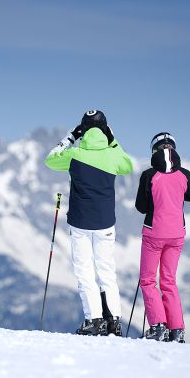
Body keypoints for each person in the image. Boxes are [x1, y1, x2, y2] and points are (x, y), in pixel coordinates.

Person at [45, 110, 133, 336]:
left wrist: (70, 138)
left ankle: (94, 319)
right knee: (107, 270)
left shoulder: (74, 154)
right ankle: (113, 320)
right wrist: (112, 141)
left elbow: (50, 159)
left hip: (80, 222)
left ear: (82, 130)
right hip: (105, 223)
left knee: (85, 271)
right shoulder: (112, 155)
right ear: (105, 130)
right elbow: (127, 166)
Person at [135, 132, 190, 342]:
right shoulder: (184, 175)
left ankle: (158, 327)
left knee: (148, 280)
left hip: (154, 233)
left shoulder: (149, 175)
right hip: (176, 235)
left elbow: (141, 207)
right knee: (169, 281)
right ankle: (177, 330)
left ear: (154, 150)